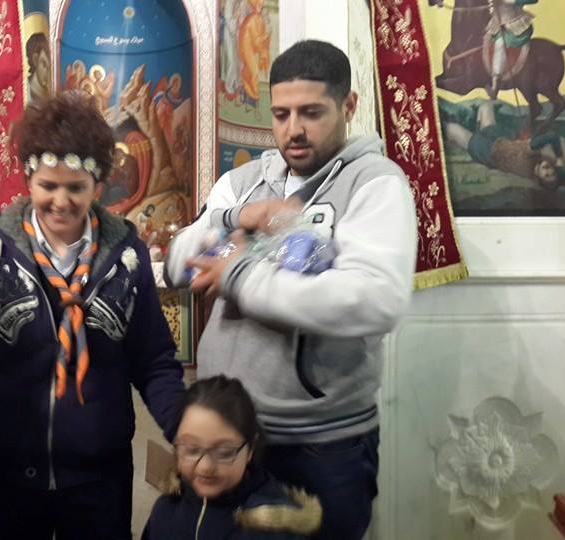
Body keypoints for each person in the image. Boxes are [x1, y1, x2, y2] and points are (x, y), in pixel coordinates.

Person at [164, 40, 417, 539]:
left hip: (320, 444)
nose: (293, 129)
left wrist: (238, 274)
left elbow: (373, 299)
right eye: (281, 114)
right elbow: (178, 263)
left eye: (311, 112)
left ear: (348, 105)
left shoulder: (374, 183)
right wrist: (241, 216)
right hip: (228, 433)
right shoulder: (242, 182)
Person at [0, 91, 186, 540]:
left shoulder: (126, 257)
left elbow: (153, 362)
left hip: (100, 481)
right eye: (47, 186)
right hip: (4, 479)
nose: (61, 201)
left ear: (98, 186)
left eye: (75, 188)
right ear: (28, 180)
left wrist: (186, 435)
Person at [143, 375, 321, 539]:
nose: (205, 467)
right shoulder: (165, 510)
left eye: (224, 452)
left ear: (250, 448)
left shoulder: (275, 530)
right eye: (191, 450)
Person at [442, 101, 565, 190]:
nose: (549, 170)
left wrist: (559, 158)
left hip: (488, 150)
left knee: (451, 129)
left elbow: (551, 136)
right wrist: (561, 161)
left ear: (538, 178)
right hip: (499, 137)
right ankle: (476, 128)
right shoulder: (538, 158)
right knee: (486, 107)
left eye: (547, 175)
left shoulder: (530, 159)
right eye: (553, 172)